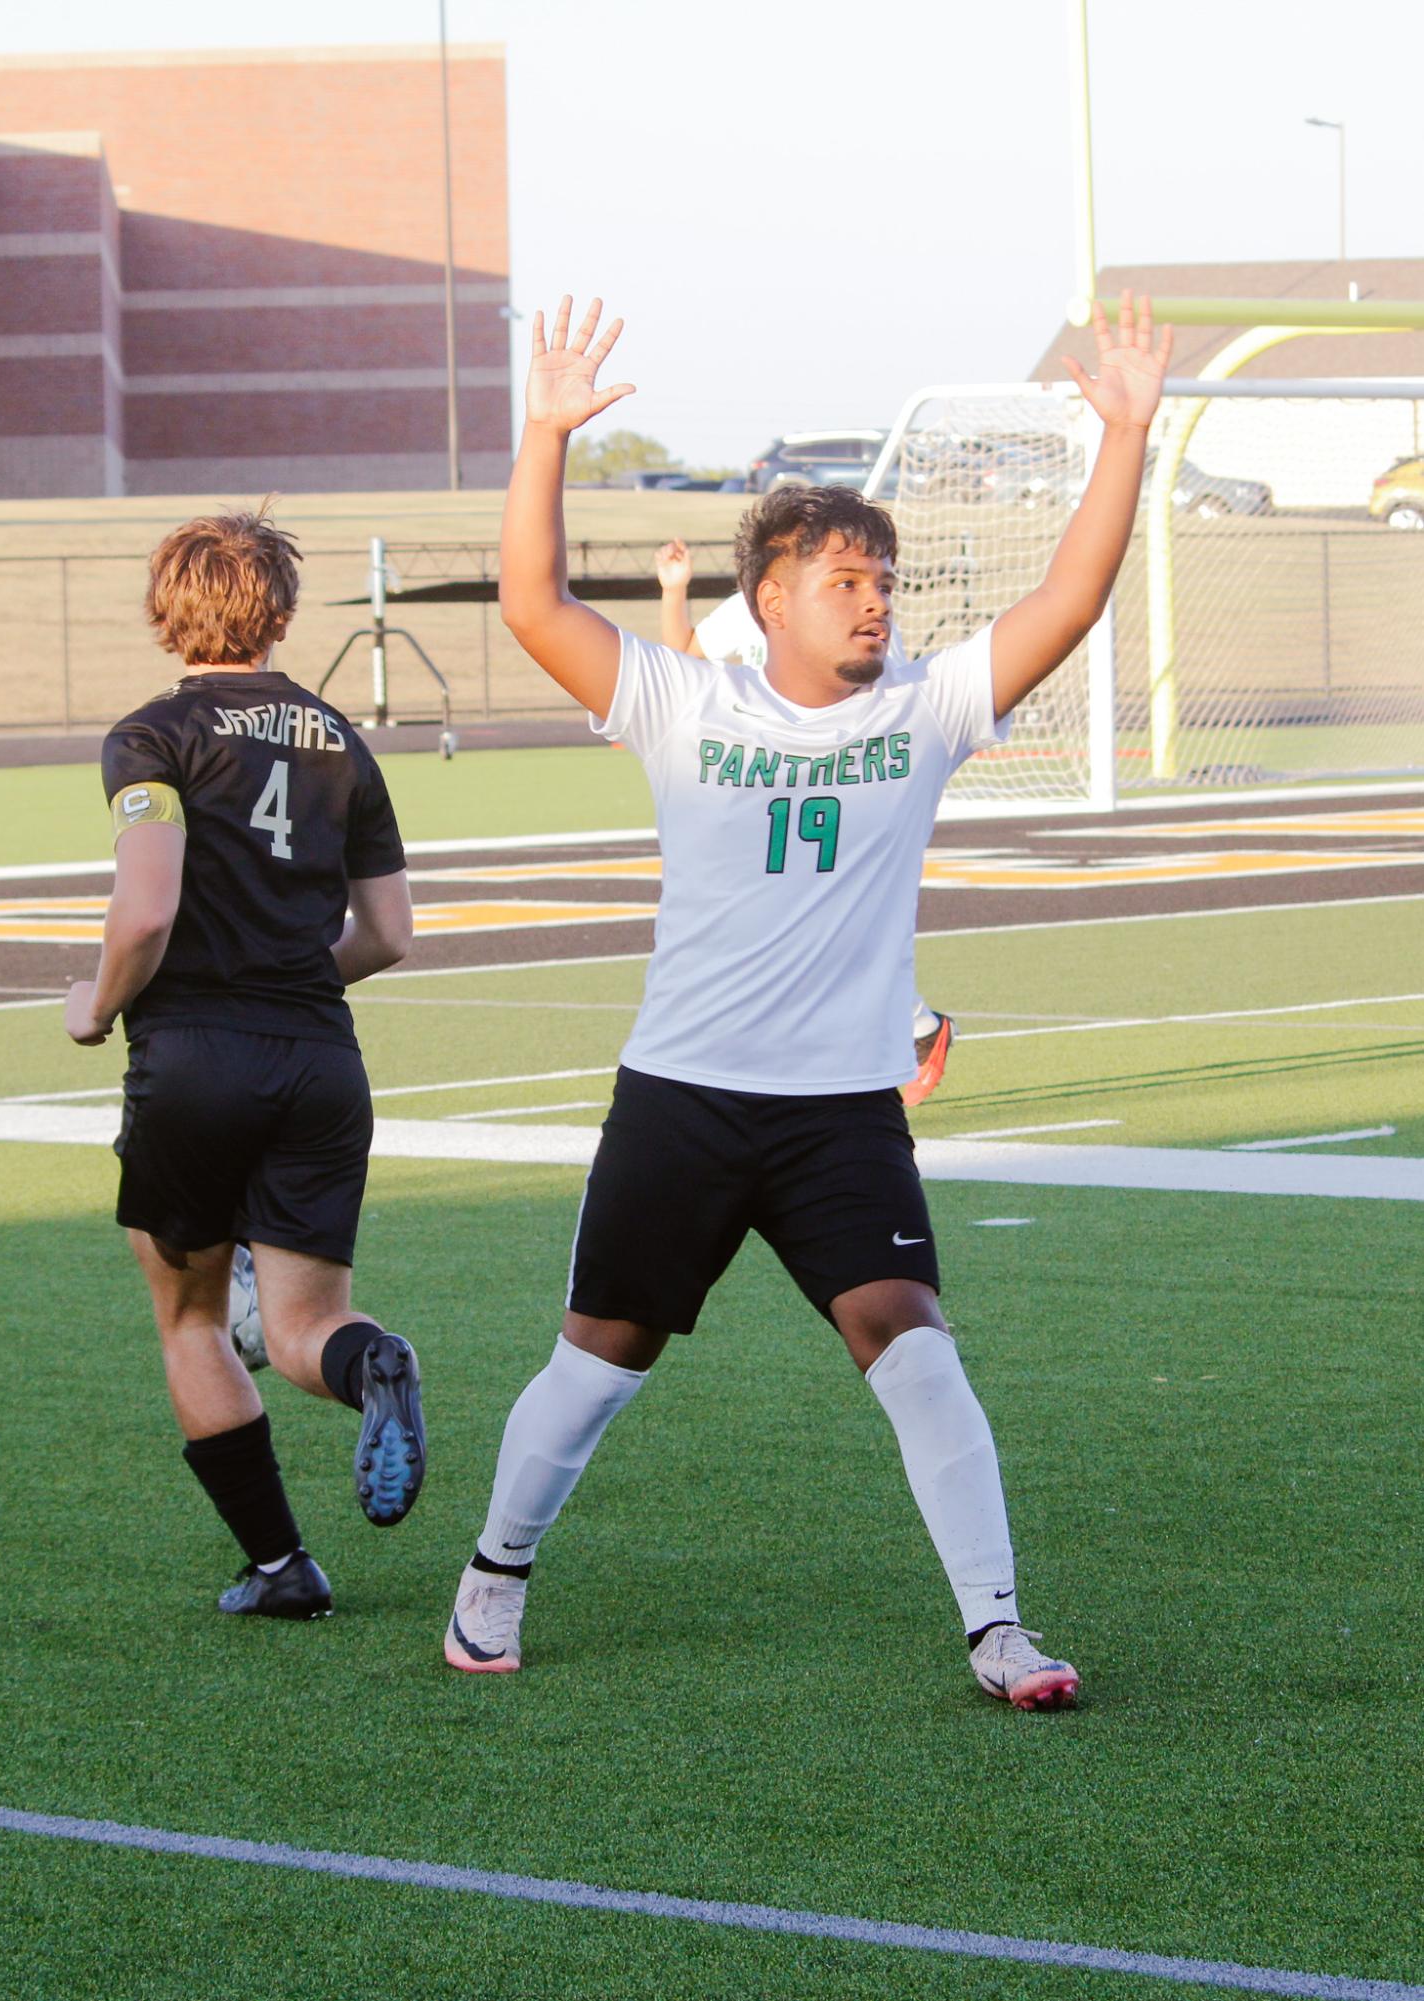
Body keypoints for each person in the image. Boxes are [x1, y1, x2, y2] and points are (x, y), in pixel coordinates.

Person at [445, 290, 1171, 1706]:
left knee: (912, 1339)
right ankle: (494, 1574)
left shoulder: (924, 711)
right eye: (845, 580)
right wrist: (542, 432)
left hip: (839, 1113)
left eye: (883, 580)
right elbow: (532, 603)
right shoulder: (679, 702)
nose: (874, 599)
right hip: (684, 1096)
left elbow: (1069, 601)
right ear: (767, 597)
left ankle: (996, 1629)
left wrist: (1125, 434)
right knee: (601, 1356)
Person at [67, 507, 426, 1622]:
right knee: (308, 1326)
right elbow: (389, 934)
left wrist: (95, 1006)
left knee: (189, 1316)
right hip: (322, 1057)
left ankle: (280, 1566)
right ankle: (375, 1367)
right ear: (278, 609)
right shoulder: (340, 742)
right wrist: (291, 975)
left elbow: (146, 912)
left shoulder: (153, 735)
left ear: (166, 605)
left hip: (193, 1061)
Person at [654, 536, 954, 1106]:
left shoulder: (860, 626)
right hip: (770, 779)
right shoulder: (749, 607)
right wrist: (675, 591)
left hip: (844, 774)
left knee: (835, 913)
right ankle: (912, 1025)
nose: (873, 599)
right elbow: (685, 659)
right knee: (770, 913)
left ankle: (912, 1027)